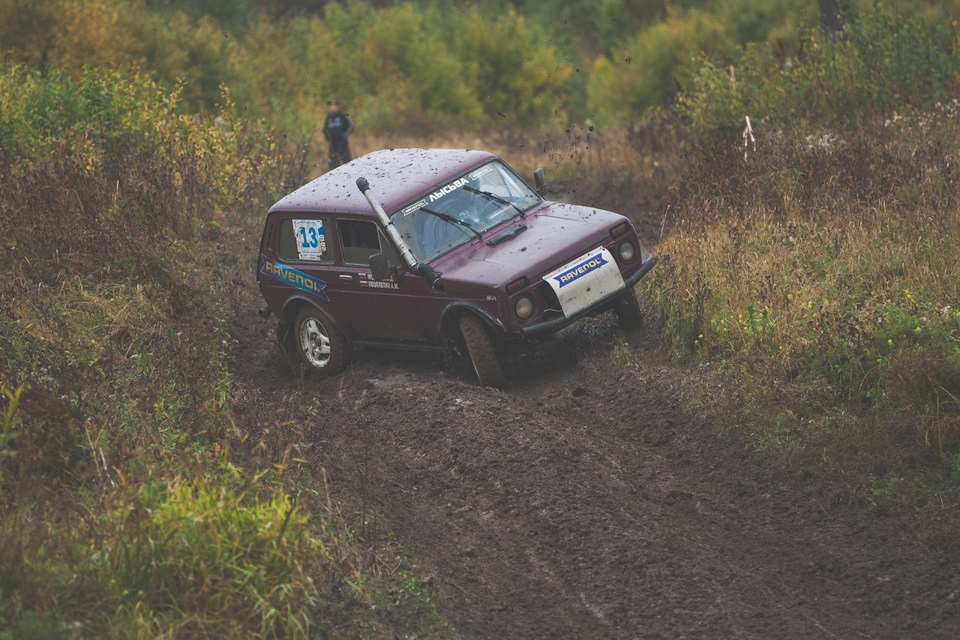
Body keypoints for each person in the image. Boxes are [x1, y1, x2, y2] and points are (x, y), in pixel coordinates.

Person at [322, 100, 354, 170]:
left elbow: (351, 127)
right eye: (331, 106)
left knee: (346, 160)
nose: (332, 107)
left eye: (334, 106)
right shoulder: (328, 118)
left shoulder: (343, 116)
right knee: (333, 162)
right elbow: (324, 129)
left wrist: (344, 135)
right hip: (332, 143)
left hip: (342, 142)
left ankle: (350, 172)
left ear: (337, 107)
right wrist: (326, 137)